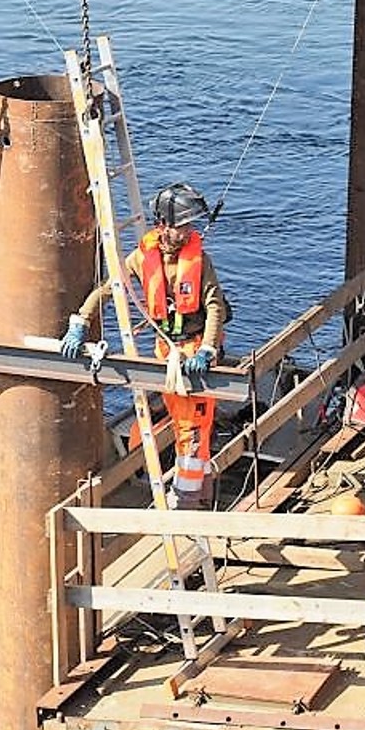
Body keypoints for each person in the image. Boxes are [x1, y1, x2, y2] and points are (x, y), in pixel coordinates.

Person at [60, 182, 231, 509]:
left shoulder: (200, 261)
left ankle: (188, 500)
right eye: (182, 225)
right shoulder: (143, 258)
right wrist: (79, 323)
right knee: (181, 420)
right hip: (166, 351)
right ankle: (199, 492)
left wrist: (208, 350)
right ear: (164, 226)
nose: (188, 231)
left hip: (196, 350)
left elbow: (214, 306)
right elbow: (110, 288)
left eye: (190, 226)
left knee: (192, 429)